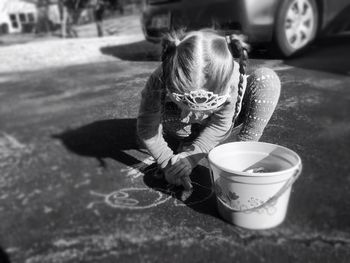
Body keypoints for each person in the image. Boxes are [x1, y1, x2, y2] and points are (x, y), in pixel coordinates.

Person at [137, 29, 281, 190]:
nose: (193, 115)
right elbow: (147, 129)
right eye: (186, 106)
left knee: (266, 79)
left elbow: (220, 125)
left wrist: (193, 156)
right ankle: (189, 143)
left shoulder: (232, 77)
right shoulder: (159, 78)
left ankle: (244, 148)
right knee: (168, 121)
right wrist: (167, 163)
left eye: (208, 106)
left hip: (223, 127)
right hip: (181, 128)